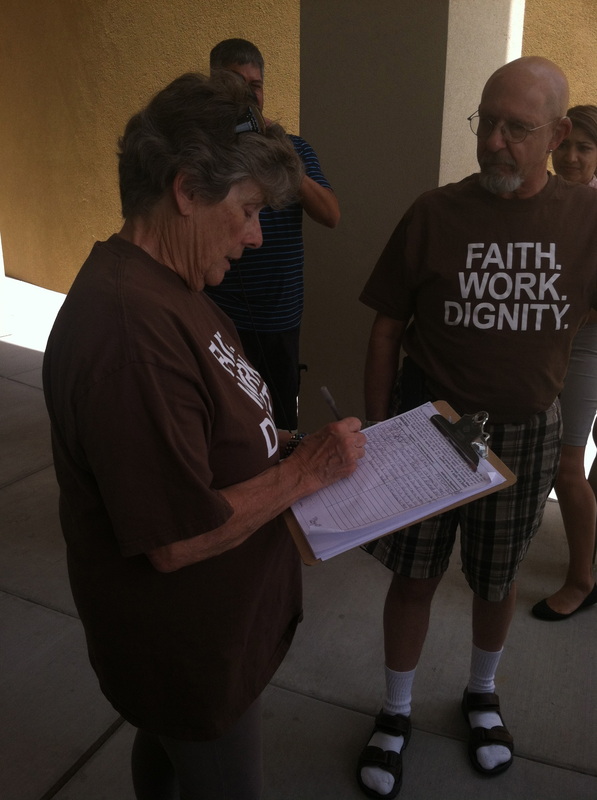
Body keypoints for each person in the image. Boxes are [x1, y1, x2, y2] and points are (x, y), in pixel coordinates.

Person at [42, 71, 365, 800]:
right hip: (185, 647)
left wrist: (281, 442)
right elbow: (177, 538)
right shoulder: (131, 334)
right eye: (247, 210)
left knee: (164, 752)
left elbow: (204, 428)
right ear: (187, 189)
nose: (255, 236)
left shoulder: (170, 285)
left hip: (208, 634)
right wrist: (305, 470)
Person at [356, 57, 597, 799]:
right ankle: (395, 709)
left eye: (515, 128)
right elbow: (385, 331)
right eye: (485, 122)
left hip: (526, 431)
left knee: (496, 580)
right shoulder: (434, 214)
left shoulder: (586, 220)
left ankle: (481, 696)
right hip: (430, 425)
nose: (493, 141)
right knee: (414, 577)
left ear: (557, 134)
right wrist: (376, 434)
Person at [205, 38, 340, 431]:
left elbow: (330, 214)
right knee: (230, 421)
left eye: (255, 86)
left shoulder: (294, 149)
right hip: (221, 316)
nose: (248, 96)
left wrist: (285, 158)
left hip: (281, 320)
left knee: (280, 422)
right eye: (236, 84)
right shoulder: (206, 153)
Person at [532, 105, 597, 620]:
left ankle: (581, 581)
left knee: (565, 465)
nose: (571, 157)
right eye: (565, 145)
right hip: (557, 337)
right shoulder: (548, 199)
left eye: (585, 148)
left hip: (585, 341)